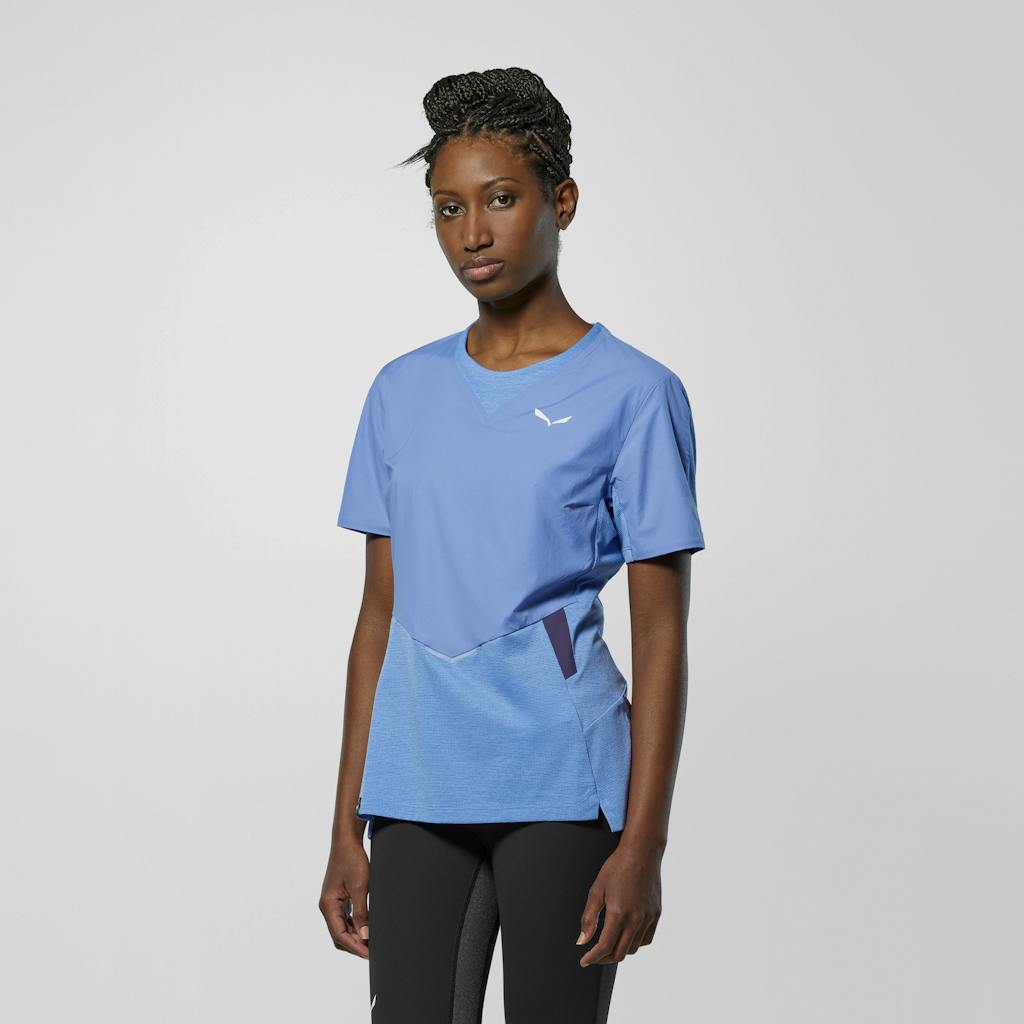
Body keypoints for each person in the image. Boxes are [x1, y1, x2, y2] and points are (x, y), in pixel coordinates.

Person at [319, 67, 706, 1023]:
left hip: (562, 786)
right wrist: (345, 823)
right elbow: (379, 615)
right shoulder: (401, 392)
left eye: (500, 199)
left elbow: (661, 634)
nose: (472, 234)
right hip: (415, 784)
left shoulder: (635, 393)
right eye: (448, 208)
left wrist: (644, 844)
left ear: (560, 201)